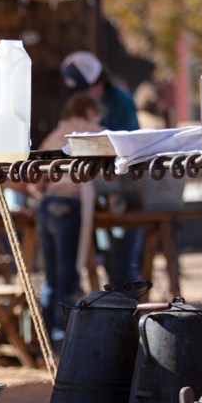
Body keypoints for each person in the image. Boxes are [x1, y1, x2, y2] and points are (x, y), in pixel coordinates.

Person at [60, 51, 141, 288]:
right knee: (108, 256)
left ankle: (127, 312)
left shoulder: (121, 102)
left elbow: (129, 144)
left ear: (98, 82)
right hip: (100, 187)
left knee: (124, 261)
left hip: (124, 187)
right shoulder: (90, 103)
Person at [34, 93, 104, 341]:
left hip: (48, 204)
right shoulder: (95, 133)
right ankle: (68, 335)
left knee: (51, 276)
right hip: (70, 203)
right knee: (68, 275)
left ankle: (46, 333)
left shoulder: (56, 133)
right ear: (88, 111)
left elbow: (37, 174)